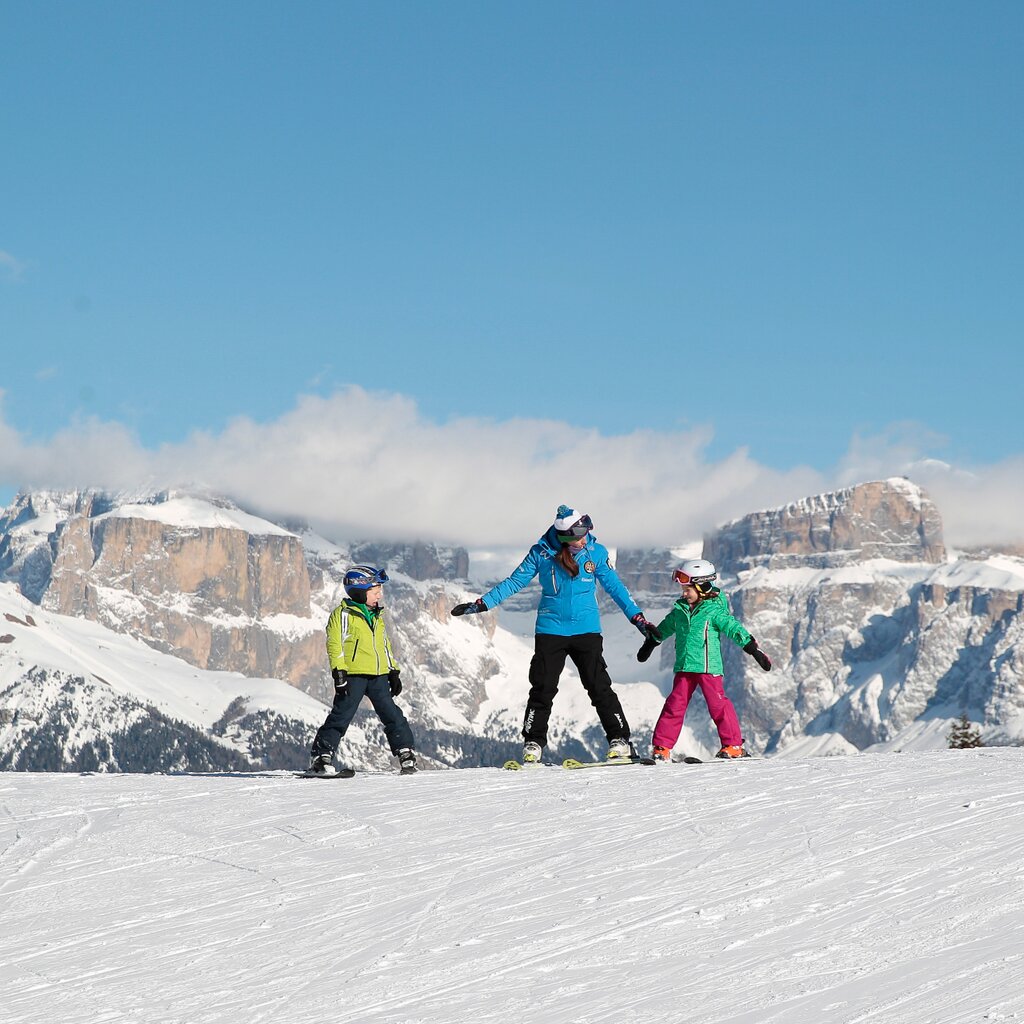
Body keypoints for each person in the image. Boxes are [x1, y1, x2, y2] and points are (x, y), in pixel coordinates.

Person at [451, 505, 659, 763]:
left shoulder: (595, 551)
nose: (585, 539)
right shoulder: (541, 553)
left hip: (587, 630)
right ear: (564, 537)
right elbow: (515, 581)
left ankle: (620, 740)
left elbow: (616, 588)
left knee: (598, 686)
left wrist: (637, 618)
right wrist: (483, 604)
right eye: (579, 536)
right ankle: (533, 743)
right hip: (551, 630)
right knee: (543, 688)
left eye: (586, 533)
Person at [638, 558, 772, 760]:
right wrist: (652, 641)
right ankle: (662, 748)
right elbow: (665, 627)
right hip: (685, 666)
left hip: (708, 667)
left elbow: (733, 628)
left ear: (702, 587)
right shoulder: (680, 610)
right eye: (683, 589)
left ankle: (733, 745)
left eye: (688, 589)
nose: (684, 593)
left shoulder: (714, 611)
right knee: (674, 705)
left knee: (718, 705)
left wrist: (752, 648)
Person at [309, 565, 417, 775]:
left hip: (378, 675)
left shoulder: (376, 616)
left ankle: (406, 752)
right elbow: (335, 644)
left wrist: (393, 671)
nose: (380, 595)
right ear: (360, 591)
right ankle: (321, 757)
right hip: (354, 675)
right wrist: (339, 672)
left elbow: (384, 645)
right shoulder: (342, 615)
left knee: (392, 713)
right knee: (341, 715)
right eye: (375, 591)